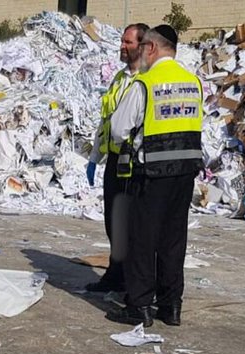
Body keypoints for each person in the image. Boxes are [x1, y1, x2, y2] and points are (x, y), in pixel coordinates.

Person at [105, 24, 204, 328]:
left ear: (150, 48)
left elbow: (119, 129)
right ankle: (171, 305)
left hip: (150, 173)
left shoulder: (145, 84)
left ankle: (139, 306)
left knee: (141, 240)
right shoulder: (193, 82)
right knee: (174, 239)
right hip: (185, 173)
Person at [84, 23, 150, 293]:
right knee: (113, 219)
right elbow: (107, 121)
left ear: (142, 46)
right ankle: (116, 272)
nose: (122, 46)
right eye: (122, 41)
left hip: (134, 162)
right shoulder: (120, 79)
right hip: (114, 159)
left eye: (128, 42)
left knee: (131, 223)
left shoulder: (147, 80)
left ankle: (131, 278)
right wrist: (95, 155)